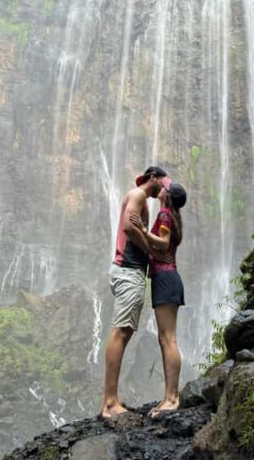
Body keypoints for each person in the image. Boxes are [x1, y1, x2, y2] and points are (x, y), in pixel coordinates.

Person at [100, 165, 171, 419]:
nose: (165, 188)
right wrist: (151, 252)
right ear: (153, 178)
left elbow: (134, 228)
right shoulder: (139, 195)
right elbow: (129, 228)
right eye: (164, 183)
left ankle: (111, 400)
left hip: (127, 270)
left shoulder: (141, 199)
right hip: (128, 269)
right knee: (121, 332)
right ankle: (109, 403)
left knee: (124, 331)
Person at [130, 181, 187, 417]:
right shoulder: (170, 216)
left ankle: (172, 398)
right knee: (166, 339)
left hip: (165, 278)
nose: (162, 187)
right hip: (167, 278)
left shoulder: (164, 214)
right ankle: (169, 397)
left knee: (168, 339)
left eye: (166, 187)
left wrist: (142, 230)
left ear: (167, 196)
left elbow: (163, 243)